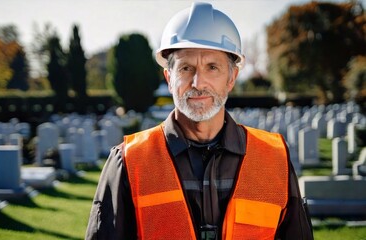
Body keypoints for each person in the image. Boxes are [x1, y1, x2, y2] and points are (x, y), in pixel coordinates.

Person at [85, 2, 313, 240]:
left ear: (232, 77)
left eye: (212, 67)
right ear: (169, 77)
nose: (198, 83)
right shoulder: (129, 161)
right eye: (185, 68)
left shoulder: (274, 158)